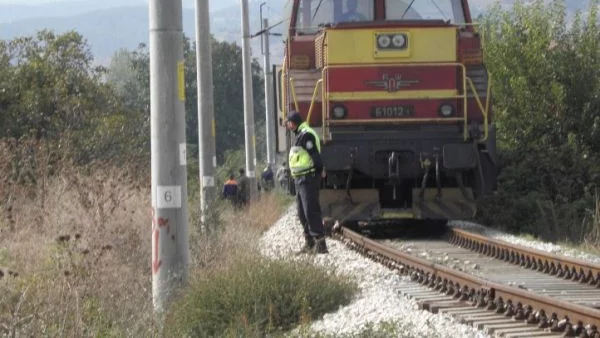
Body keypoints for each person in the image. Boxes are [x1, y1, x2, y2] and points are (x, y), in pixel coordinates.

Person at [285, 111, 328, 254]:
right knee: (302, 212)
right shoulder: (300, 134)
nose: (287, 125)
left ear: (293, 122)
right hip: (300, 179)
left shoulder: (306, 135)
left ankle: (320, 245)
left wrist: (320, 171)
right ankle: (309, 242)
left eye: (288, 122)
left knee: (311, 211)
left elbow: (315, 155)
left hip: (308, 178)